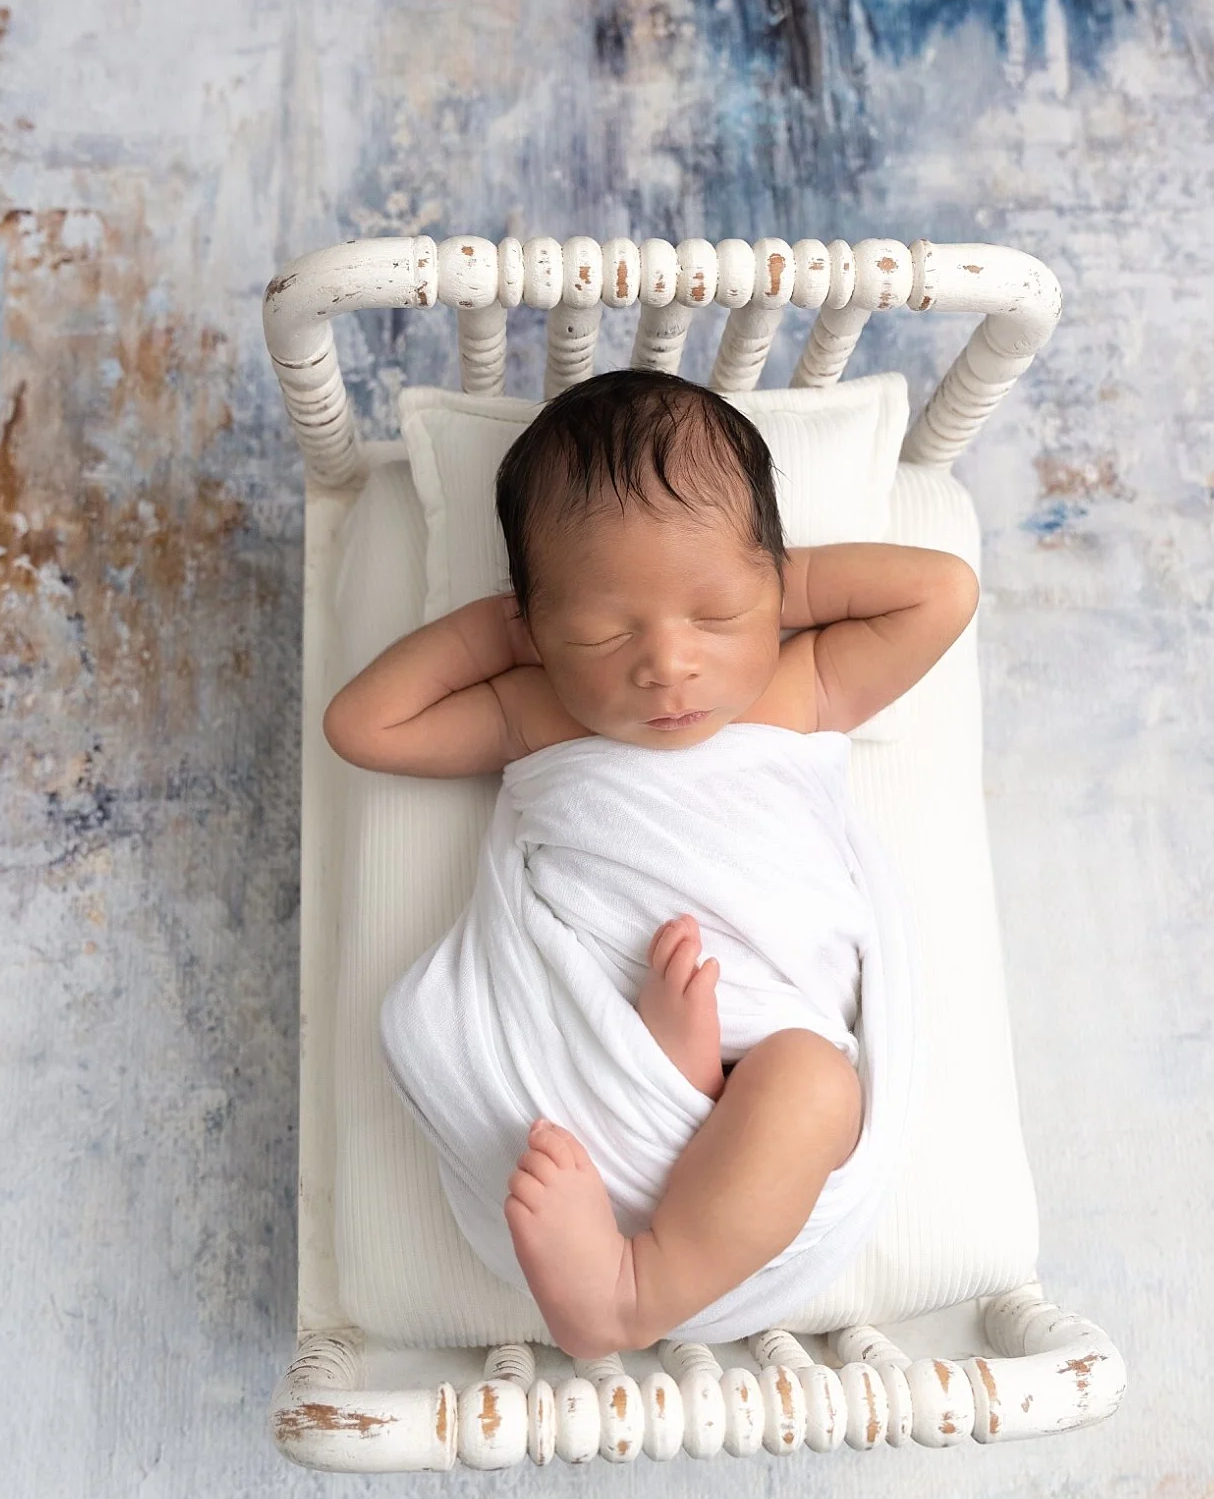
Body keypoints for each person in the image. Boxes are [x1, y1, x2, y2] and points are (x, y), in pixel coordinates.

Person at [324, 369, 979, 1358]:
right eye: (600, 626)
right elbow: (361, 723)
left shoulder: (796, 686)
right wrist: (513, 628)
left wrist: (775, 583)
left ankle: (634, 1289)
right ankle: (665, 1074)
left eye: (711, 612)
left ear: (769, 583)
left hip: (756, 1087)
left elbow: (942, 589)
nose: (665, 663)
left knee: (810, 1080)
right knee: (795, 1077)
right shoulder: (535, 708)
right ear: (538, 627)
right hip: (590, 1074)